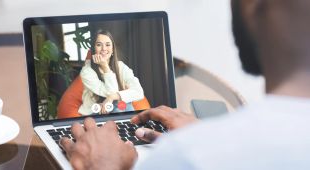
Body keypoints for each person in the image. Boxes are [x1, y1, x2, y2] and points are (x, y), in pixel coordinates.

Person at [60, 0, 310, 169]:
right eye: (99, 45)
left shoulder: (186, 157)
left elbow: (135, 91)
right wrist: (208, 137)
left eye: (108, 45)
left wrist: (102, 166)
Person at [78, 29, 145, 115]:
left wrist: (112, 97)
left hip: (116, 109)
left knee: (123, 103)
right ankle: (130, 125)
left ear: (112, 49)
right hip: (95, 112)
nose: (104, 49)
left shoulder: (121, 66)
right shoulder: (87, 71)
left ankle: (125, 125)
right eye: (99, 45)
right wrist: (105, 67)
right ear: (93, 49)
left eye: (108, 45)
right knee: (120, 103)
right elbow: (111, 91)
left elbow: (139, 92)